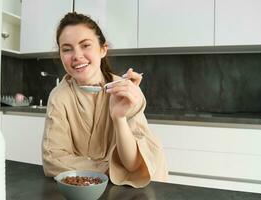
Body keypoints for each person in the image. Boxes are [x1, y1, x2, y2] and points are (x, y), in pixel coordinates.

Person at [41, 12, 168, 188]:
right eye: (67, 49)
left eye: (85, 45)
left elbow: (132, 164)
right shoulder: (59, 97)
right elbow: (53, 159)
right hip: (88, 188)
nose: (77, 55)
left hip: (133, 189)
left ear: (103, 49)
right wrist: (113, 169)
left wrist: (119, 118)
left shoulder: (125, 91)